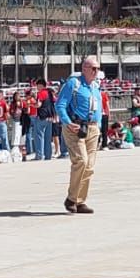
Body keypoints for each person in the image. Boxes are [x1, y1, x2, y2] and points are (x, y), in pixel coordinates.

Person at [58, 55, 105, 213]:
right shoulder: (74, 83)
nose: (96, 71)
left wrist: (98, 126)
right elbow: (61, 104)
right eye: (93, 68)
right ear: (84, 68)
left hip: (92, 128)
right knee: (81, 161)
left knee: (90, 167)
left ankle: (79, 200)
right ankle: (71, 198)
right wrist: (67, 121)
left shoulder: (95, 86)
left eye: (97, 68)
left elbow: (98, 107)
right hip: (75, 127)